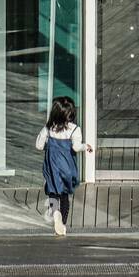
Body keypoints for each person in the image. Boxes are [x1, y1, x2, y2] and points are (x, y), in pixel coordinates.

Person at [36, 96, 92, 236]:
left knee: (53, 193)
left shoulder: (48, 128)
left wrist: (50, 147)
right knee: (65, 196)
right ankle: (63, 224)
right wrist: (86, 146)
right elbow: (76, 147)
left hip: (52, 166)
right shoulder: (74, 129)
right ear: (71, 113)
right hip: (67, 166)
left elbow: (38, 145)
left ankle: (55, 213)